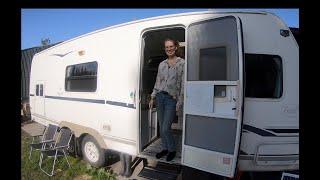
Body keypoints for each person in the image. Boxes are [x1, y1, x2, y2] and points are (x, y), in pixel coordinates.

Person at [149, 38, 185, 162]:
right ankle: (165, 148)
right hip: (160, 97)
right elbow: (158, 81)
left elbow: (182, 84)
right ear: (165, 49)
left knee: (166, 127)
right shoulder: (162, 64)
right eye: (166, 47)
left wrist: (180, 101)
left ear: (175, 47)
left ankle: (172, 149)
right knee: (161, 125)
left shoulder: (182, 63)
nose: (169, 49)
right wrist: (153, 96)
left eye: (171, 46)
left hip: (171, 99)